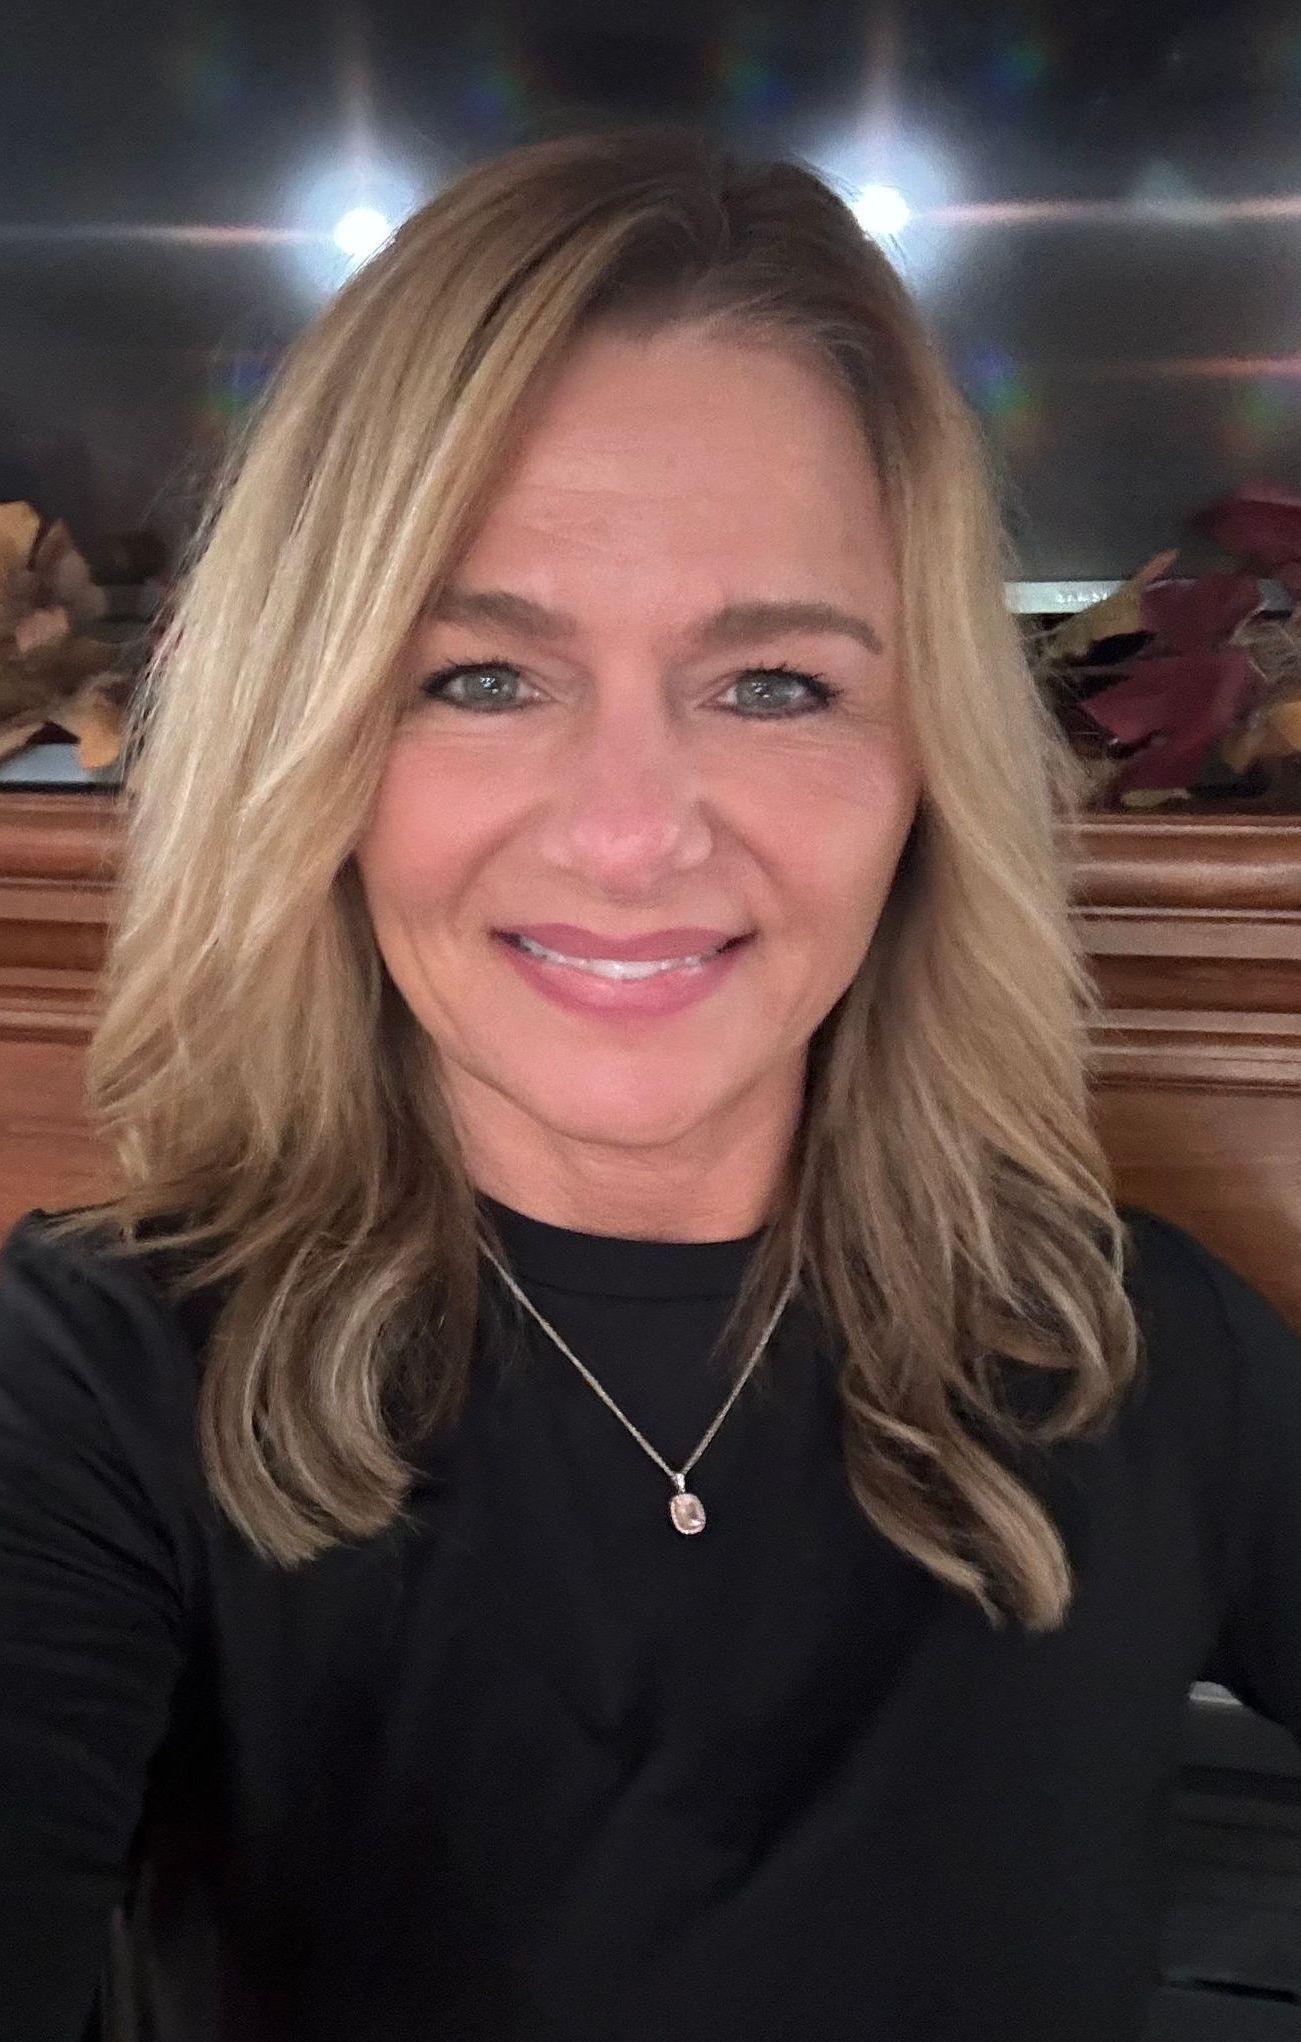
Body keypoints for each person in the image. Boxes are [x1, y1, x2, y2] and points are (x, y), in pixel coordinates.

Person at [0, 124, 1298, 2042]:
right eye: (479, 678)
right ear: (317, 749)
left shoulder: (1140, 1350)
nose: (629, 838)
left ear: (923, 755)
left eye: (772, 683)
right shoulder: (85, 1390)